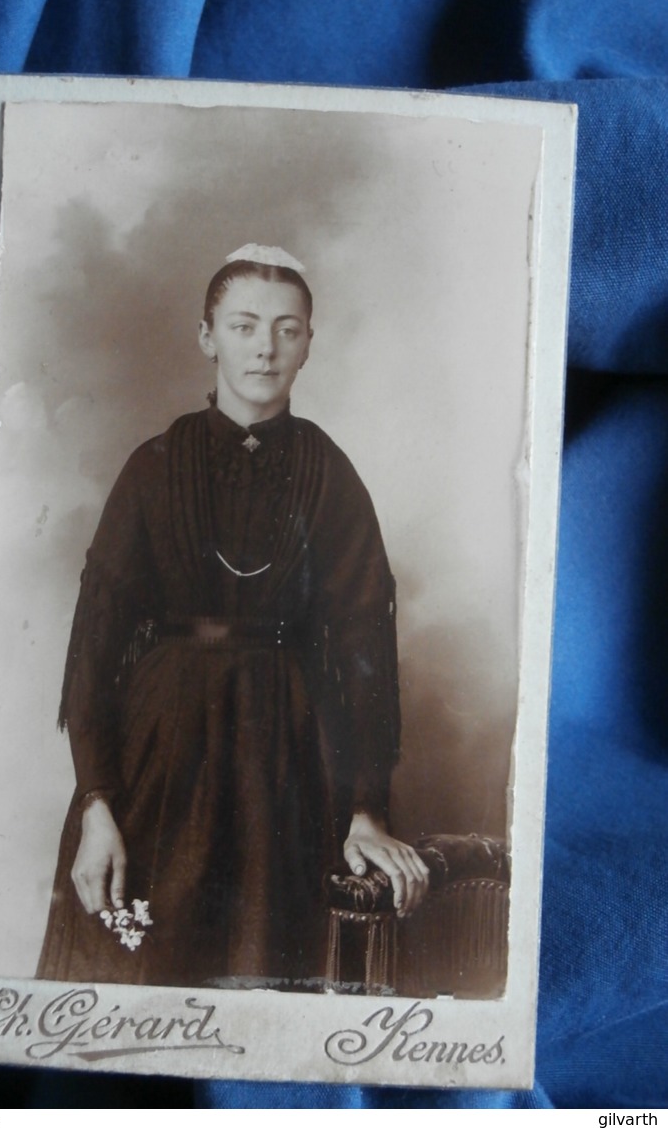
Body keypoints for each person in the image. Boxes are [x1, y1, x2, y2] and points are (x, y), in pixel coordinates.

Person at [37, 244, 429, 989]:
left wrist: (366, 808)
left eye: (287, 328)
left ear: (309, 343)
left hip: (282, 765)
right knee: (142, 976)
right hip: (158, 755)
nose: (265, 347)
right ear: (206, 335)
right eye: (244, 325)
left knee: (263, 968)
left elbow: (363, 649)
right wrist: (95, 803)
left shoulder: (331, 476)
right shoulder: (152, 465)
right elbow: (94, 646)